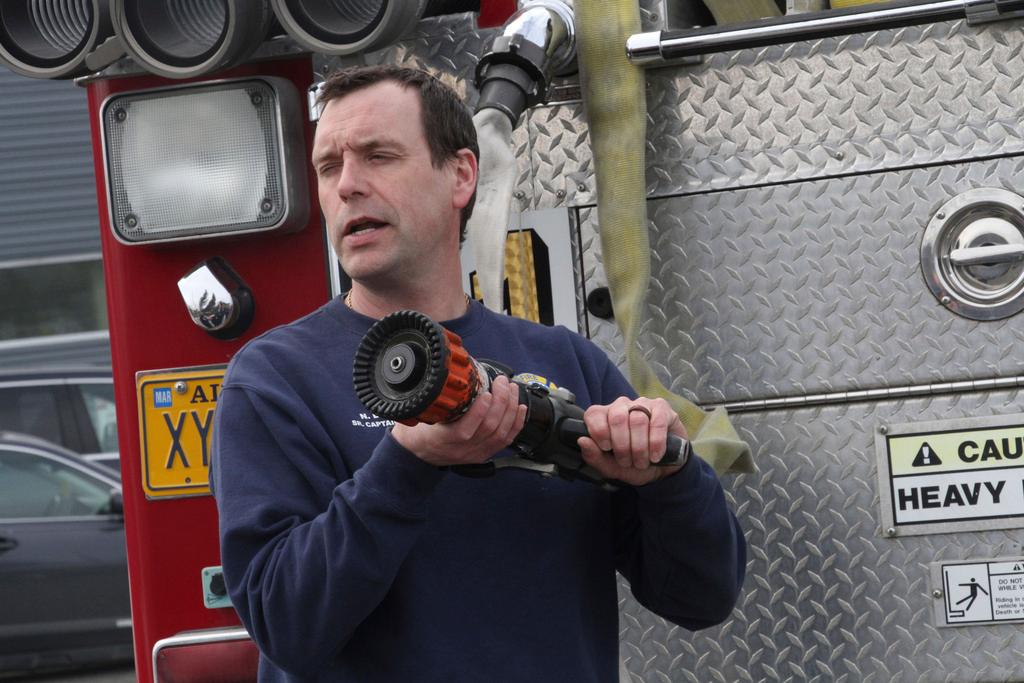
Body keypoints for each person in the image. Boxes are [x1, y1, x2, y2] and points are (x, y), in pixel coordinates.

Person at [211, 65, 745, 682]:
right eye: (329, 167)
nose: (349, 185)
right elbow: (285, 627)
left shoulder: (566, 363)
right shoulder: (276, 378)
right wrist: (406, 467)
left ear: (461, 175)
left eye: (379, 156)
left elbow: (703, 598)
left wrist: (671, 479)